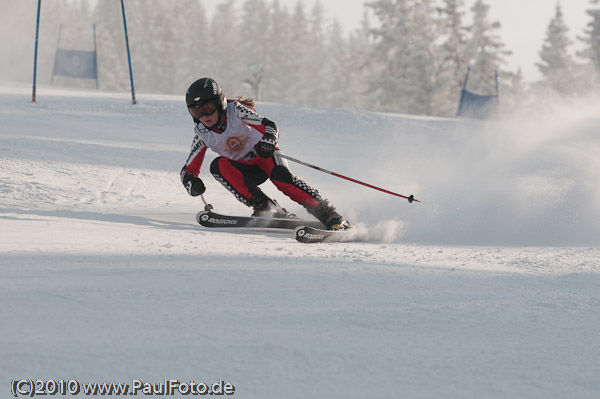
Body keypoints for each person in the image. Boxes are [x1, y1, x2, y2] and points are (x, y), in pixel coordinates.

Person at [180, 77, 350, 230]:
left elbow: (269, 125)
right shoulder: (202, 133)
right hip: (246, 170)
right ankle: (265, 207)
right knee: (217, 165)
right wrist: (191, 183)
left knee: (282, 180)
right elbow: (187, 170)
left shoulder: (236, 111)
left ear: (220, 103)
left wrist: (269, 140)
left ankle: (329, 214)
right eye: (196, 112)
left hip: (265, 156)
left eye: (208, 109)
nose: (203, 116)